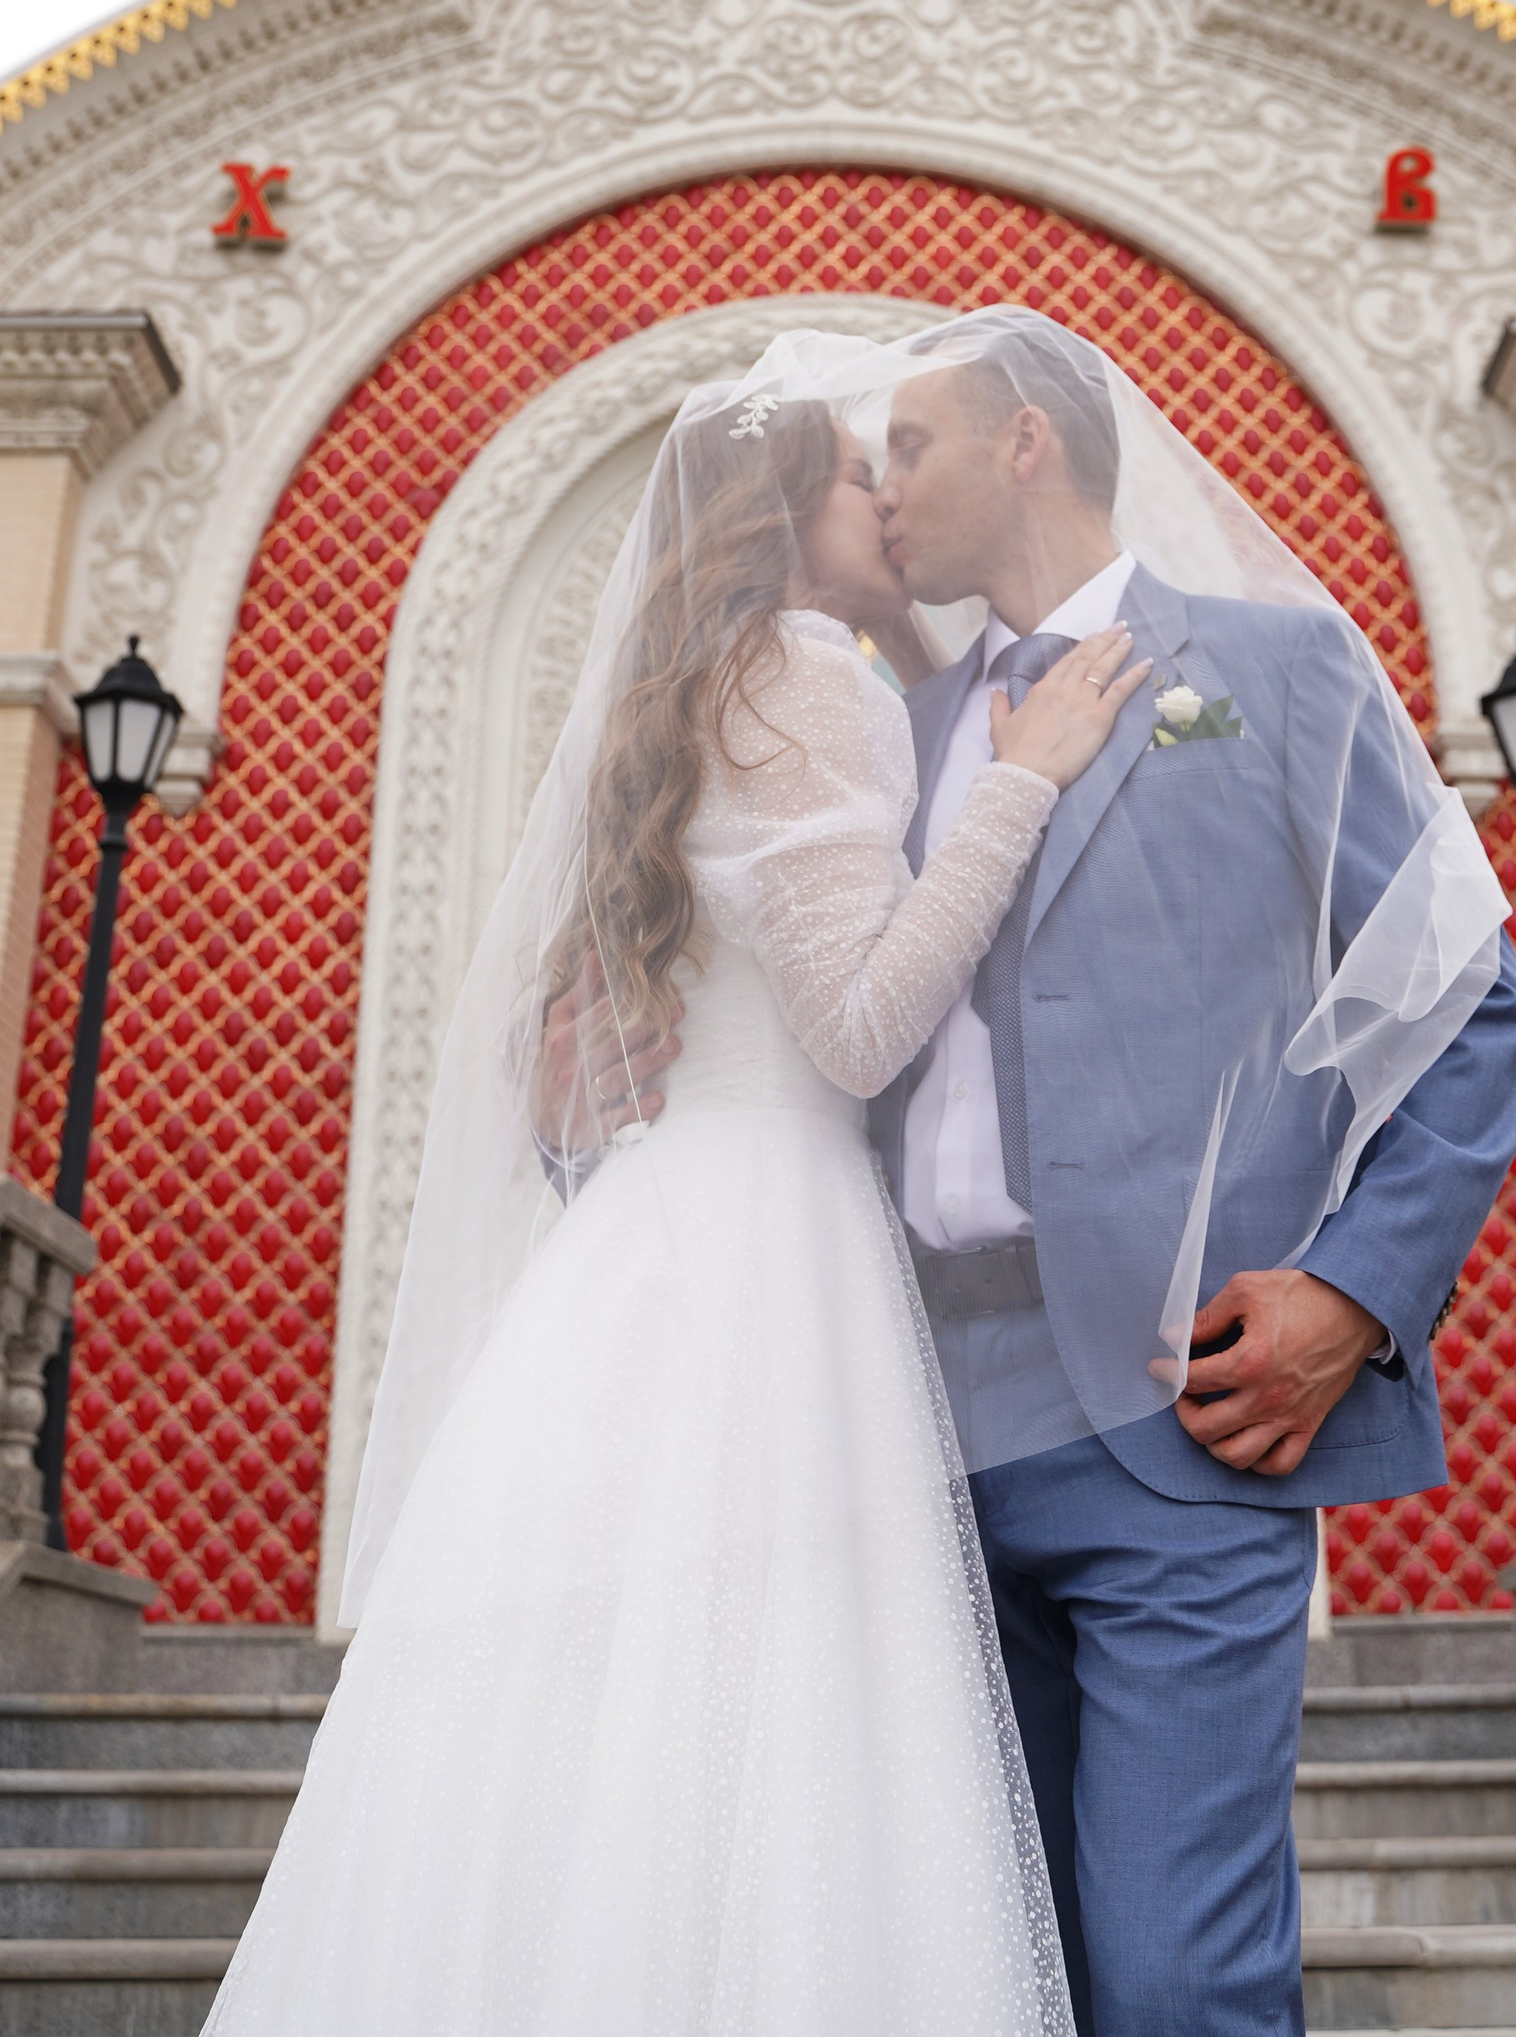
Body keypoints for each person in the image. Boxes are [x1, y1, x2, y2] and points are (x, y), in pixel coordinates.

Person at [200, 380, 1147, 2037]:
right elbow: (859, 1030)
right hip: (776, 1259)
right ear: (781, 515)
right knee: (777, 1719)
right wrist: (1026, 783)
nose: (888, 498)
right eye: (854, 475)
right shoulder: (808, 673)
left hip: (641, 1249)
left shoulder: (693, 685)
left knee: (599, 1731)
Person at [867, 310, 1516, 2037]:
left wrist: (1352, 1294)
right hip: (902, 1425)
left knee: (1177, 1983)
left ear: (1026, 439)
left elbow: (1473, 1016)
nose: (881, 490)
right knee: (987, 1982)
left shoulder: (1283, 669)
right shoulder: (888, 730)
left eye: (912, 446)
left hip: (1183, 1413)